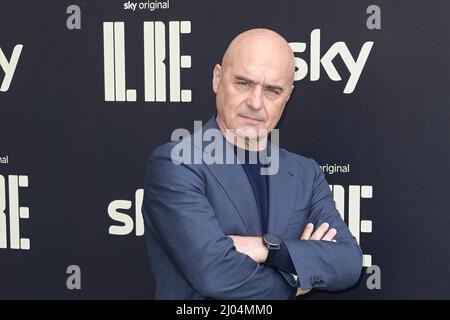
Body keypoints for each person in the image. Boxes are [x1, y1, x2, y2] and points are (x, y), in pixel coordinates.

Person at [142, 28, 362, 299]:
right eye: (243, 83)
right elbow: (215, 274)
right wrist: (296, 279)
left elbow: (348, 262)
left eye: (272, 90)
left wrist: (266, 248)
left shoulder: (306, 173)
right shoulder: (176, 164)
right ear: (217, 79)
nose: (255, 102)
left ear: (288, 96)